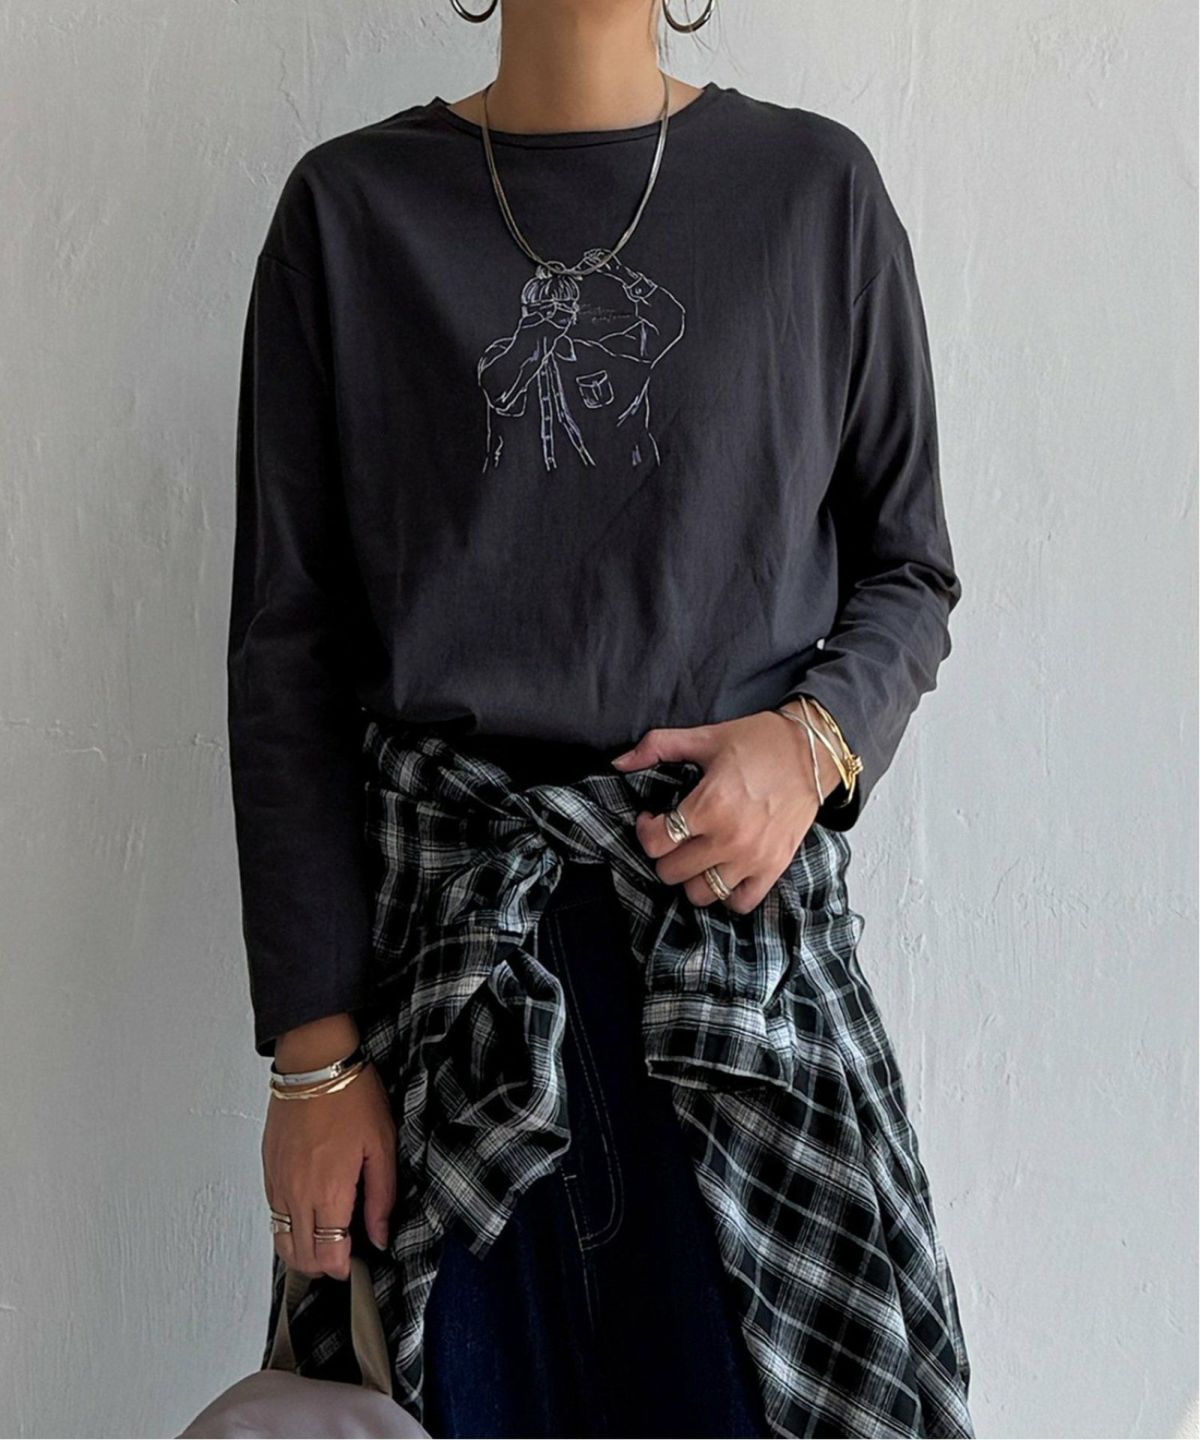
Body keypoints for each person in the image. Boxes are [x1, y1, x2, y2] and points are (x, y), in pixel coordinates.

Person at [225, 2, 975, 1436]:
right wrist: (313, 1056)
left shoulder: (814, 194)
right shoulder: (350, 214)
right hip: (445, 1002)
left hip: (740, 982)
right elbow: (287, 652)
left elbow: (909, 566)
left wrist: (811, 744)